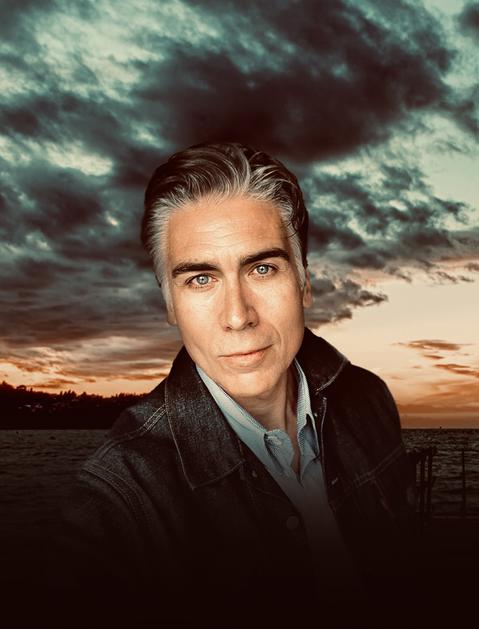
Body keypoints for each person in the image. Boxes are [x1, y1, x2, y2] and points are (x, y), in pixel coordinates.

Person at [53, 142, 416, 628]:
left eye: (262, 269)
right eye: (201, 279)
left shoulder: (369, 400)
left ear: (304, 282)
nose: (238, 316)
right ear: (170, 305)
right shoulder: (119, 503)